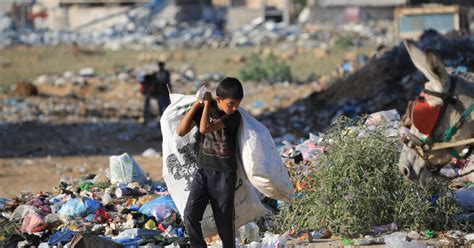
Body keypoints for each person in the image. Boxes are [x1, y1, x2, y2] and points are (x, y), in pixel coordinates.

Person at [176, 77, 244, 248]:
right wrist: (198, 104)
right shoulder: (206, 109)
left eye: (237, 104)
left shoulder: (233, 117)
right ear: (219, 99)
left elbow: (204, 128)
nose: (235, 108)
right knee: (190, 215)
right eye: (231, 104)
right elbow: (181, 131)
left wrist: (206, 106)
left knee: (224, 222)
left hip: (224, 174)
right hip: (203, 171)